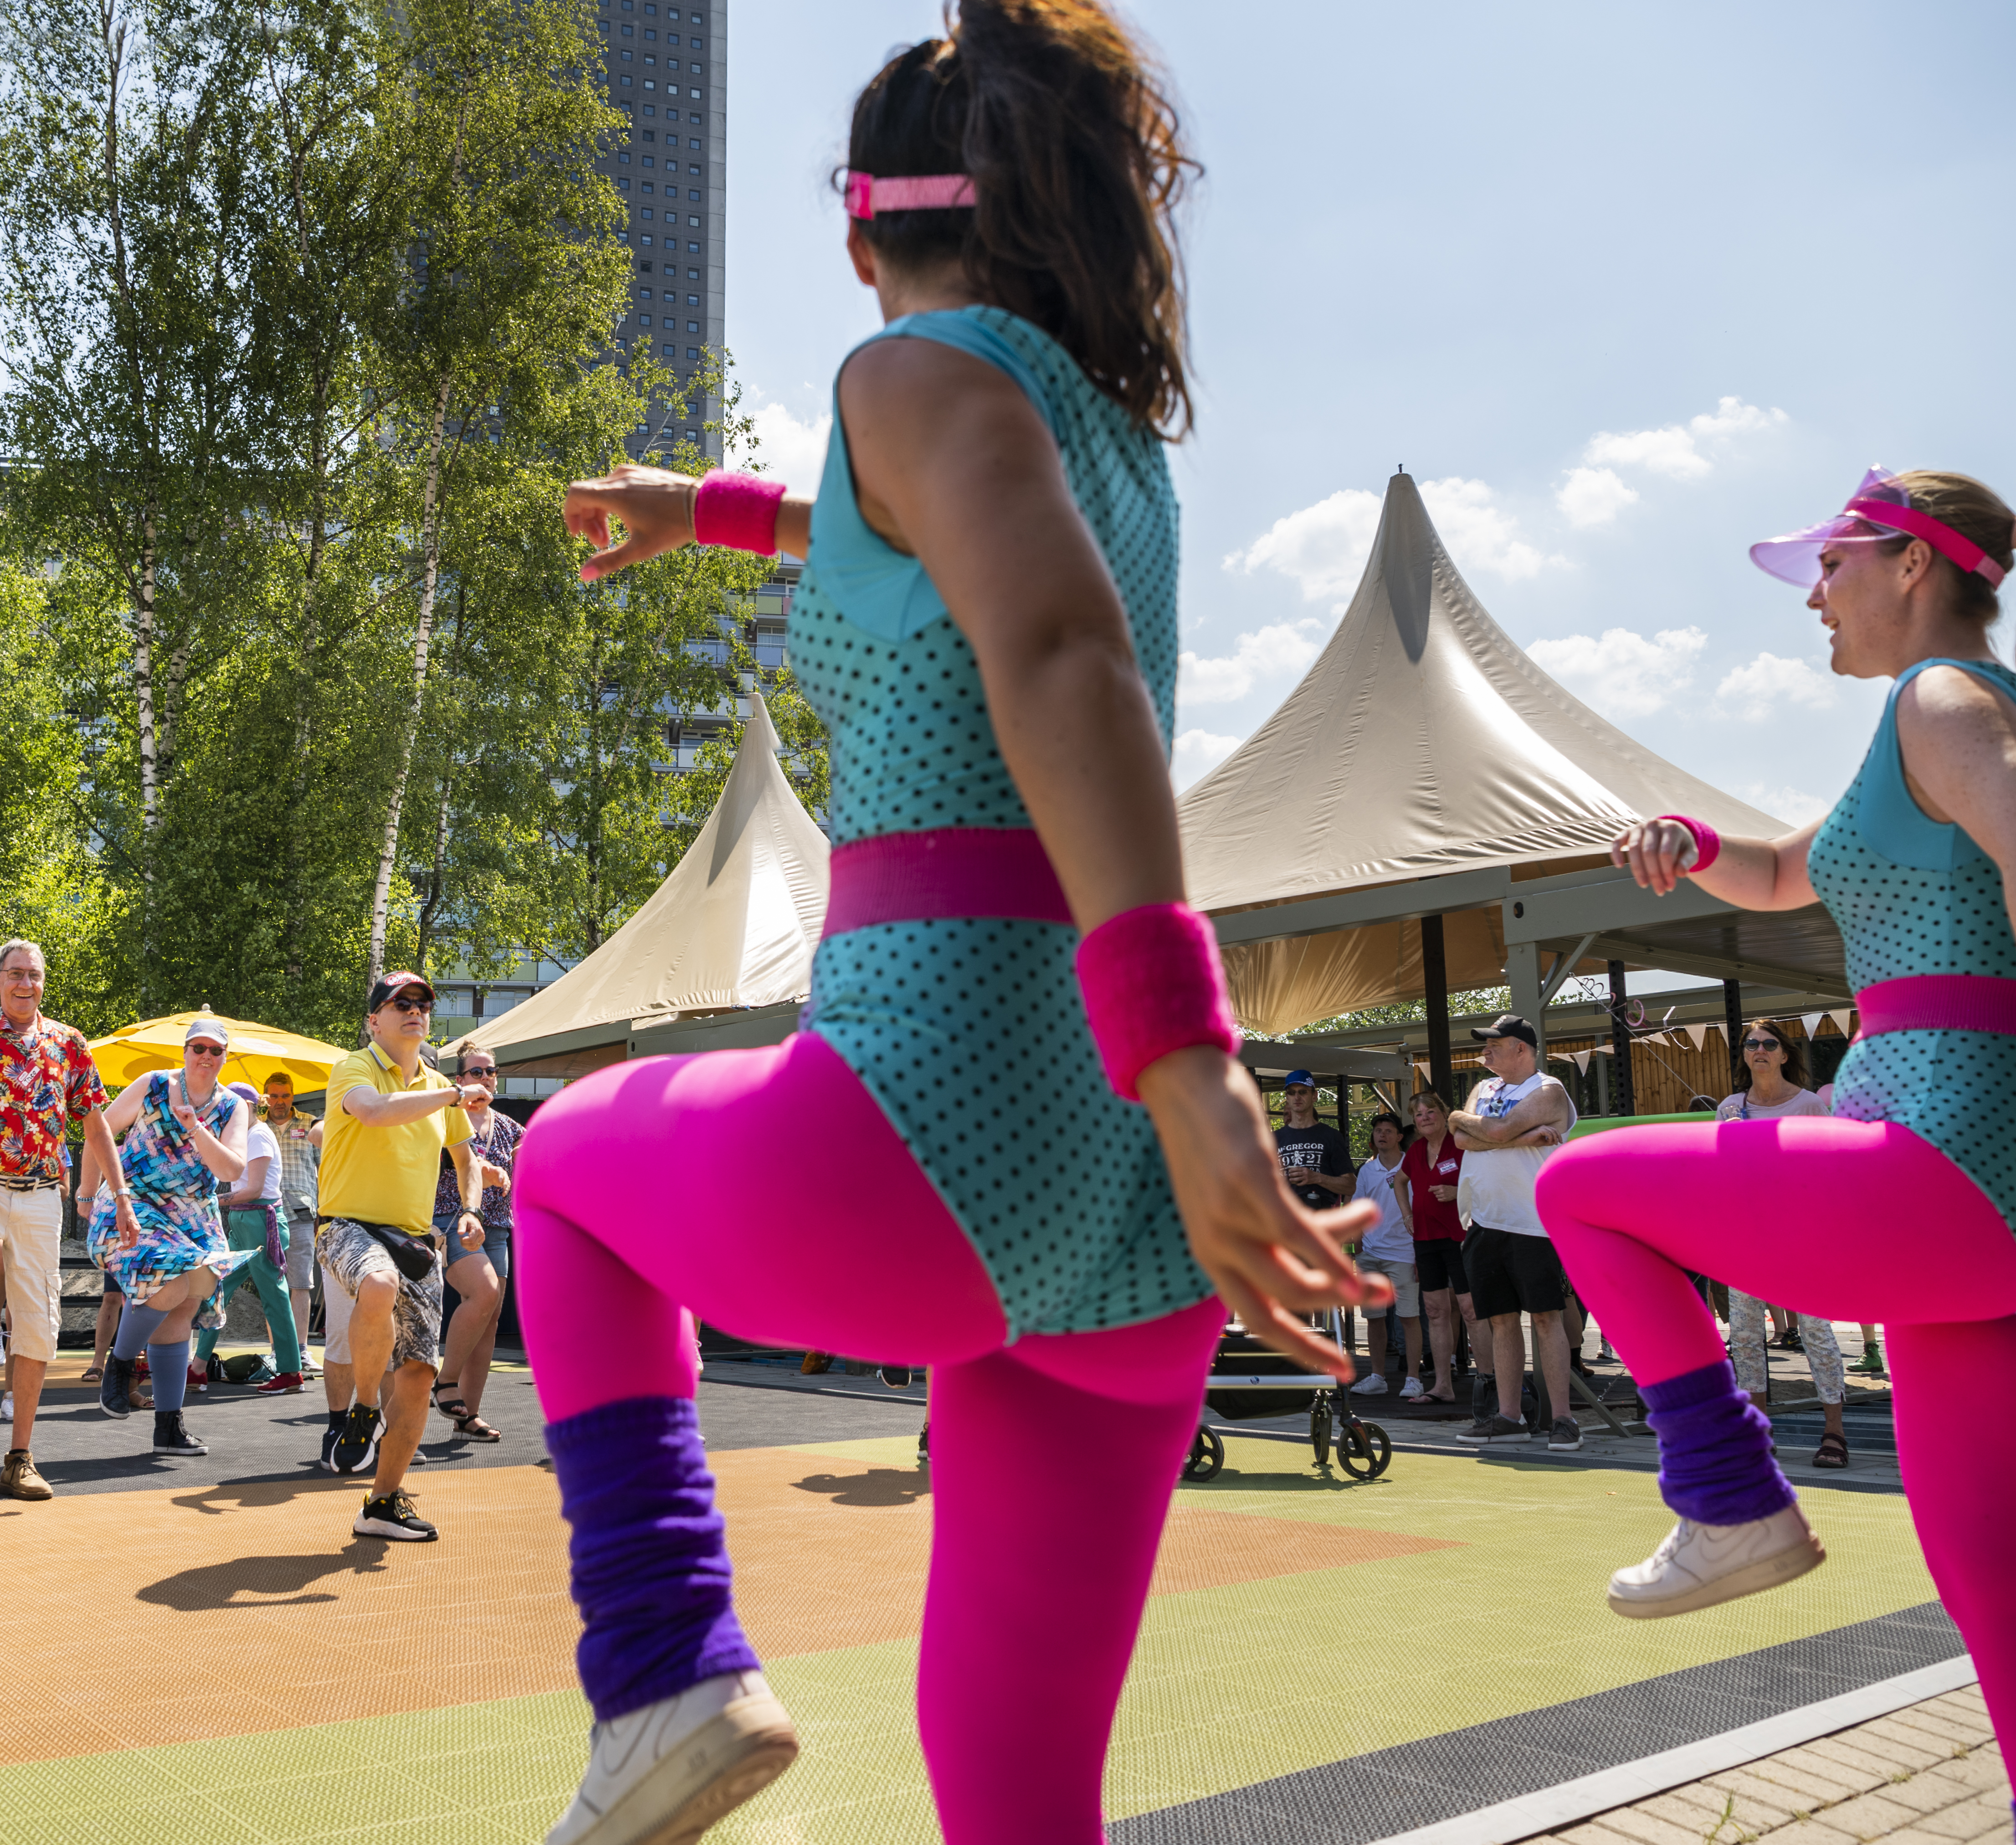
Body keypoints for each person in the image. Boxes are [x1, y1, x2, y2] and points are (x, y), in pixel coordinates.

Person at [527, 8, 1380, 1838]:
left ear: (862, 235)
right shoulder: (1117, 441)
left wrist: (1195, 1052)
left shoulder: (901, 378)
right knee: (1017, 1776)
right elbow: (943, 538)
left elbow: (1054, 649)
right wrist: (713, 511)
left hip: (942, 1107)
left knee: (563, 1170)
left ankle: (665, 1670)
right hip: (1130, 1220)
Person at [1540, 468, 2016, 1840]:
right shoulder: (1946, 721)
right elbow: (1786, 874)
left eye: (1827, 567)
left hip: (1949, 1157)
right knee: (2002, 1600)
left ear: (1906, 564)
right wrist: (1693, 841)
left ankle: (1724, 1494)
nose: (1810, 600)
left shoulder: (1940, 699)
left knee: (1574, 1184)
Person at [0, 939, 123, 1503]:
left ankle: (19, 1457)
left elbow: (95, 1122)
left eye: (34, 974)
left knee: (38, 1321)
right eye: (15, 974)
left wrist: (120, 1195)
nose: (25, 984)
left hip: (39, 1196)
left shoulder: (68, 1042)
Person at [313, 971, 489, 1542]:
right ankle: (364, 1407)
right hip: (347, 1225)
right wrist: (451, 1094)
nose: (415, 1011)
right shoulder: (355, 1066)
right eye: (400, 1003)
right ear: (374, 1019)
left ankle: (382, 1504)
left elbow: (465, 1159)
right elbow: (373, 1111)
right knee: (379, 1284)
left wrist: (470, 1208)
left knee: (418, 1373)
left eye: (423, 1004)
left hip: (417, 1238)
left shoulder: (441, 1085)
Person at [87, 1019, 251, 1456]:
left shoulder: (233, 1106)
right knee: (171, 1283)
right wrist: (87, 1194)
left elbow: (232, 1172)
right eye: (197, 1047)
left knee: (186, 1302)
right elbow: (98, 1131)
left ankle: (168, 1425)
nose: (205, 1056)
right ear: (184, 1050)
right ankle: (119, 1365)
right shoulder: (153, 1084)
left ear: (224, 1058)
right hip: (135, 1199)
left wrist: (195, 1127)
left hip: (193, 1212)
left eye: (215, 1050)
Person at [1712, 1020, 1850, 1469]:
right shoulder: (1730, 1107)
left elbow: (1831, 1171)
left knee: (1816, 1333)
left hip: (1801, 1237)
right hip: (1745, 1238)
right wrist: (1729, 1136)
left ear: (1784, 1053)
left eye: (1769, 1043)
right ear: (1744, 1054)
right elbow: (1723, 1176)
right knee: (1747, 1338)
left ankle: (1835, 1432)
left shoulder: (1809, 1104)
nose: (1760, 1050)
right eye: (1752, 1044)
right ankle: (1759, 1431)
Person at [1451, 1014, 1580, 1452]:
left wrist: (1488, 1130)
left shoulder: (1547, 1090)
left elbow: (1490, 1130)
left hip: (1533, 1222)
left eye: (1495, 1044)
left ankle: (1562, 1419)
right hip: (1484, 1220)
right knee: (1501, 1321)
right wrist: (1511, 1135)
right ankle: (1509, 1416)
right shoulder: (1483, 1089)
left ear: (1521, 1049)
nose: (1484, 1052)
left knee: (1547, 1317)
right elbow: (1461, 1137)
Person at [430, 1048, 520, 1441]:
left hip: (498, 1225)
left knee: (489, 1319)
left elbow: (531, 1160)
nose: (485, 1077)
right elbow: (435, 1161)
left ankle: (468, 1417)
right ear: (460, 1077)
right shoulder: (445, 1113)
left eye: (491, 1071)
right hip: (449, 1218)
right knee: (482, 1293)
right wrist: (483, 1172)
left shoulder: (509, 1126)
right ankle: (444, 1381)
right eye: (476, 1071)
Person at [190, 1074, 293, 1392]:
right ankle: (198, 1367)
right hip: (242, 1221)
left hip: (260, 1221)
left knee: (274, 1295)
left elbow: (255, 1189)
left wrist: (213, 1200)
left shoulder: (259, 1135)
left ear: (248, 1106)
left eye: (230, 1106)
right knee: (217, 1288)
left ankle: (291, 1371)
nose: (225, 1112)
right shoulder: (244, 1134)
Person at [1348, 1114, 1424, 1399]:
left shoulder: (1413, 1163)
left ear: (1399, 1136)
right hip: (1371, 1253)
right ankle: (1377, 1376)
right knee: (1374, 1318)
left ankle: (1413, 1378)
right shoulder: (1367, 1170)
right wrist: (1358, 1251)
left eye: (1388, 1131)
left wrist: (1419, 1251)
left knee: (1409, 1317)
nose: (1382, 1136)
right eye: (1378, 1131)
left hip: (1405, 1252)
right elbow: (1358, 1209)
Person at [1400, 1089, 1466, 1406]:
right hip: (1424, 1238)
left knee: (1471, 1310)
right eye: (1419, 1114)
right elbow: (1399, 1182)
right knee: (1435, 1311)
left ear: (1443, 1113)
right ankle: (1443, 1386)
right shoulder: (1415, 1150)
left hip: (1459, 1236)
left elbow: (1482, 1181)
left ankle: (1490, 1382)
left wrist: (1457, 1191)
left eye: (1430, 1112)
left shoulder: (1461, 1143)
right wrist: (1406, 1215)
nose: (1425, 1118)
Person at [262, 1069, 322, 1390]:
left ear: (293, 1096)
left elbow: (325, 1167)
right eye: (274, 1095)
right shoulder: (256, 1127)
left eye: (285, 1095)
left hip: (300, 1213)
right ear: (265, 1097)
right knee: (273, 1284)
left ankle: (300, 1349)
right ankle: (277, 1352)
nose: (280, 1101)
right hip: (267, 1212)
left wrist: (323, 1210)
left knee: (300, 1282)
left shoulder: (311, 1124)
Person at [1269, 1070, 1354, 1216]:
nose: (1297, 1097)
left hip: (1320, 1216)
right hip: (1284, 1219)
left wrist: (1316, 1178)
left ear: (1314, 1096)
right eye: (1291, 1092)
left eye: (1303, 1092)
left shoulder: (1331, 1136)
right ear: (1287, 1098)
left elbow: (1350, 1186)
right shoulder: (1273, 1139)